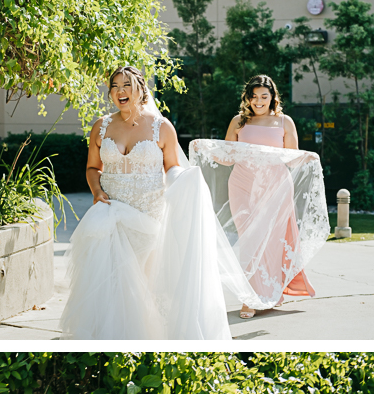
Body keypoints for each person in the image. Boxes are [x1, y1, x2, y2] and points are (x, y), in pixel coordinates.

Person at [60, 66, 259, 340]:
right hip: (110, 213)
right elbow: (93, 168)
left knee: (144, 281)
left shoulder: (161, 127)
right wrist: (96, 191)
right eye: (115, 86)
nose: (120, 91)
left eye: (127, 85)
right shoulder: (101, 126)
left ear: (140, 89)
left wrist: (187, 180)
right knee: (111, 280)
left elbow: (172, 169)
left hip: (148, 213)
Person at [190, 74, 329, 318]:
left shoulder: (284, 122)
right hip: (242, 185)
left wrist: (308, 156)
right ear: (248, 98)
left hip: (276, 186)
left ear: (273, 97)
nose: (259, 101)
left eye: (264, 96)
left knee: (271, 243)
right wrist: (208, 150)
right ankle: (251, 297)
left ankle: (264, 296)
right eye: (254, 96)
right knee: (249, 241)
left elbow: (292, 156)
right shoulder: (238, 122)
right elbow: (228, 156)